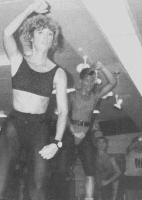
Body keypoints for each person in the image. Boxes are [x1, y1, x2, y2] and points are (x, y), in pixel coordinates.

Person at [0, 1, 69, 200]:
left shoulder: (58, 73)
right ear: (31, 36)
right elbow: (7, 33)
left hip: (39, 128)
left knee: (38, 189)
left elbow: (64, 112)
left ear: (53, 41)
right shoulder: (18, 60)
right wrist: (30, 9)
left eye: (49, 34)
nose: (46, 37)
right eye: (41, 33)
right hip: (14, 126)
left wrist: (56, 143)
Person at [58, 61, 117, 200]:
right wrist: (72, 130)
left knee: (90, 172)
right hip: (70, 133)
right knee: (61, 170)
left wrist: (102, 67)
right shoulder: (72, 95)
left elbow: (112, 82)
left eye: (92, 81)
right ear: (81, 80)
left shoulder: (95, 96)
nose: (90, 84)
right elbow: (63, 113)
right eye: (87, 80)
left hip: (85, 135)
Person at [123, 135, 142, 200]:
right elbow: (129, 148)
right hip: (130, 180)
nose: (140, 144)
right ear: (135, 144)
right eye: (138, 142)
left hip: (141, 180)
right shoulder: (129, 153)